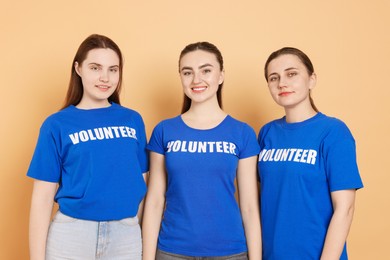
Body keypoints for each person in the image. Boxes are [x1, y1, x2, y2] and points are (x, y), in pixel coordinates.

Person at [27, 34, 148, 260]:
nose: (105, 77)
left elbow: (141, 182)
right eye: (95, 68)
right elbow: (42, 198)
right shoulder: (56, 125)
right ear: (78, 68)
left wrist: (132, 227)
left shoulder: (132, 120)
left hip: (126, 235)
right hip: (72, 235)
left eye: (113, 69)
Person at [142, 42, 261, 259]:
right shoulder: (164, 131)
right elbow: (155, 201)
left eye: (206, 70)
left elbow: (250, 207)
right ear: (180, 76)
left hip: (230, 252)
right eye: (188, 72)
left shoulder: (242, 133)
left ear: (221, 75)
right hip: (172, 250)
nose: (196, 80)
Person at [258, 47, 364, 259]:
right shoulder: (266, 133)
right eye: (274, 78)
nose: (282, 83)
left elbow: (345, 209)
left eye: (292, 74)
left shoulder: (334, 132)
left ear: (311, 79)